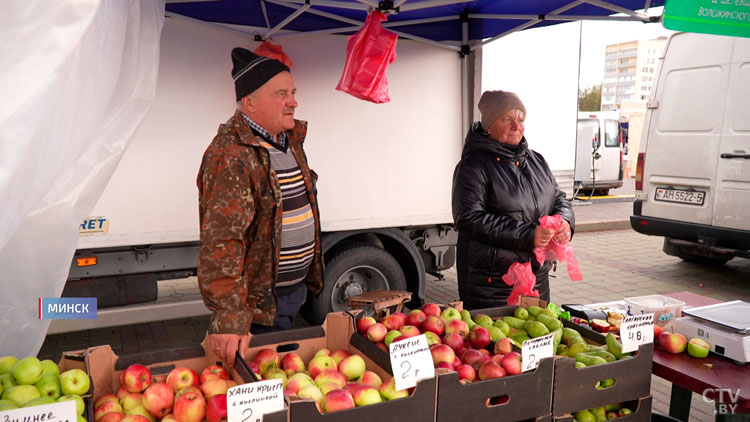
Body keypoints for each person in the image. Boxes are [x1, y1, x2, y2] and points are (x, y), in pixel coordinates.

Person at [197, 48, 323, 365]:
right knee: (264, 390)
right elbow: (222, 241)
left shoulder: (288, 141)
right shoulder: (232, 153)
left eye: (293, 92)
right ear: (249, 102)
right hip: (257, 309)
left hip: (291, 295)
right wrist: (229, 318)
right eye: (281, 93)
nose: (293, 101)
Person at [451, 90, 574, 309]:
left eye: (520, 119)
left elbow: (559, 198)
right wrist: (529, 234)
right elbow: (469, 218)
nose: (516, 126)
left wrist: (565, 221)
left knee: (537, 338)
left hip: (537, 278)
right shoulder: (473, 166)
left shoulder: (536, 160)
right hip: (493, 285)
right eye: (507, 119)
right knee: (498, 342)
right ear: (489, 126)